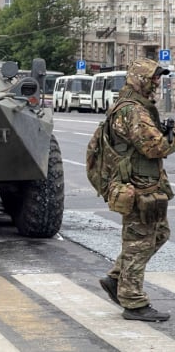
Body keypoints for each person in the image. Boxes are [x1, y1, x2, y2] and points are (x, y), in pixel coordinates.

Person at [98, 58, 173, 322]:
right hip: (137, 186)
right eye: (153, 78)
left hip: (145, 183)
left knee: (159, 234)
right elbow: (155, 148)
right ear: (141, 80)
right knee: (138, 243)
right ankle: (133, 301)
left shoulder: (133, 106)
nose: (156, 82)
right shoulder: (133, 110)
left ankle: (116, 278)